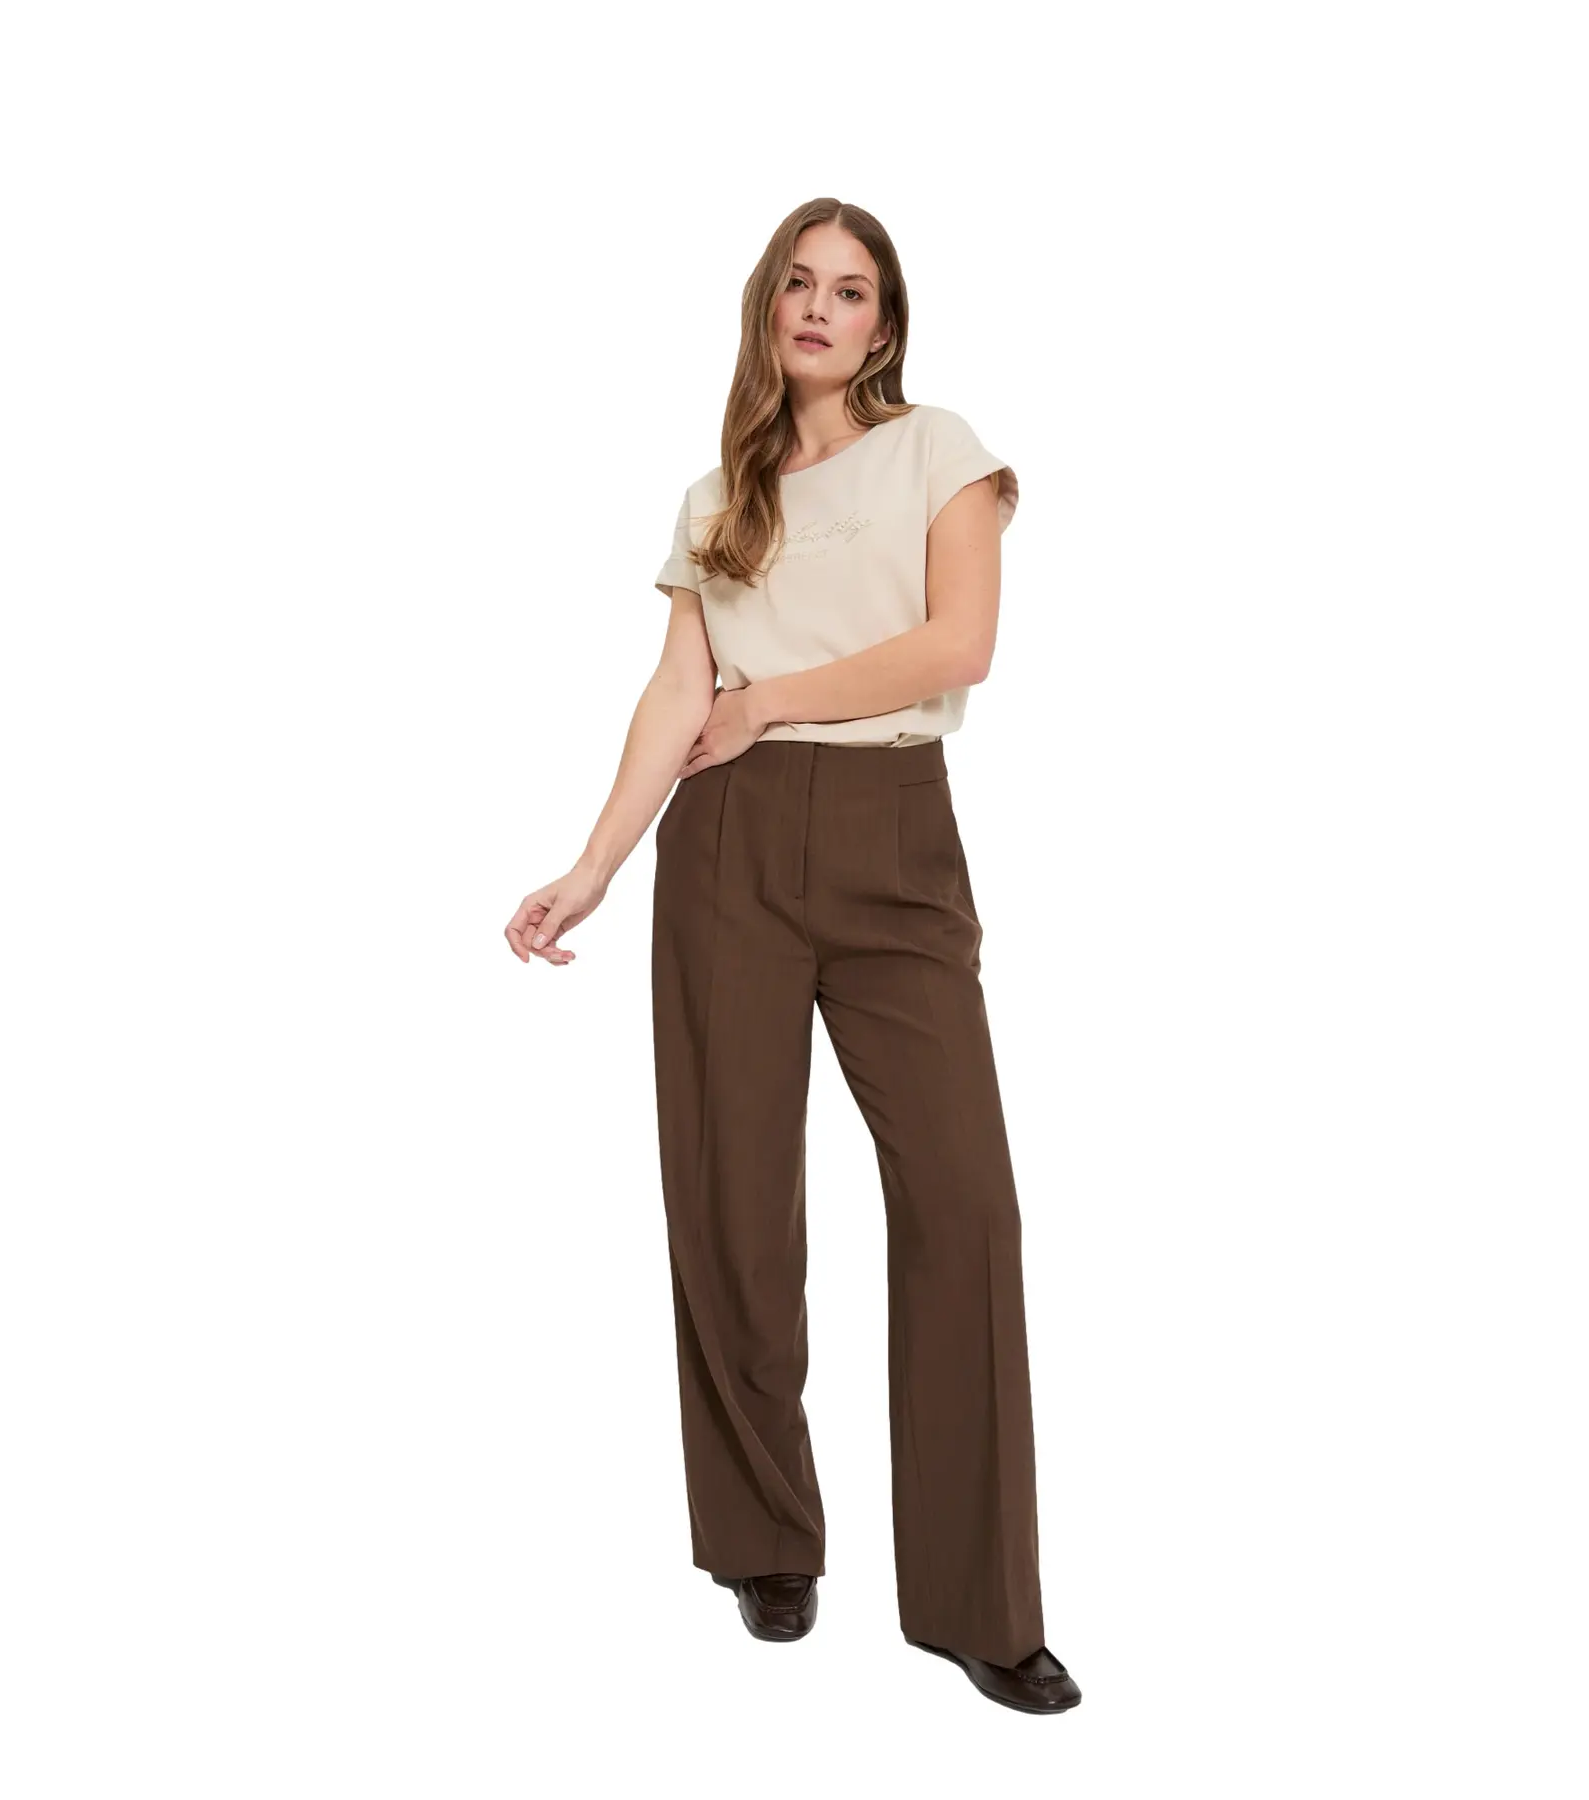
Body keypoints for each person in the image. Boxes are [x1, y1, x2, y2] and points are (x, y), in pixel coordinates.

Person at [503, 198, 1080, 1717]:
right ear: (769, 309)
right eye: (800, 286)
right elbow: (673, 693)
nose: (822, 308)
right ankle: (765, 1536)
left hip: (894, 834)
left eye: (854, 290)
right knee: (732, 1202)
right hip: (728, 849)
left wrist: (769, 700)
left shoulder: (941, 451)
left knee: (965, 1205)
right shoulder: (719, 497)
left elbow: (959, 645)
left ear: (885, 325)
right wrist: (591, 867)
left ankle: (976, 1602)